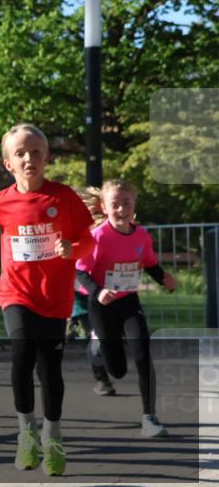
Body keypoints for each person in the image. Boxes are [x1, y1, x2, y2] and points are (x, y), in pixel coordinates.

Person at [0, 123, 94, 477]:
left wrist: (73, 249)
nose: (29, 158)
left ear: (47, 157)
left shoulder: (64, 198)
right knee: (22, 351)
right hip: (16, 293)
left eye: (36, 152)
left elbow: (88, 241)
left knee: (49, 370)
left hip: (55, 299)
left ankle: (52, 436)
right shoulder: (0, 201)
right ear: (8, 163)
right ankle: (26, 433)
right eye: (20, 153)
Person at [75, 180, 177, 437]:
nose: (121, 209)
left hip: (129, 302)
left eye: (126, 203)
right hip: (102, 306)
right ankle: (99, 340)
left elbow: (150, 262)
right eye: (115, 205)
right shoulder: (97, 237)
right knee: (117, 370)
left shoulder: (142, 235)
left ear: (134, 204)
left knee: (143, 356)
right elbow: (81, 271)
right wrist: (99, 292)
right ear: (104, 208)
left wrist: (163, 278)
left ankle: (149, 417)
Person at [73, 188, 114, 395]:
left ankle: (107, 371)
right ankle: (101, 379)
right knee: (94, 336)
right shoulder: (72, 229)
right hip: (81, 294)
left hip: (108, 290)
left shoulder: (109, 228)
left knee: (107, 335)